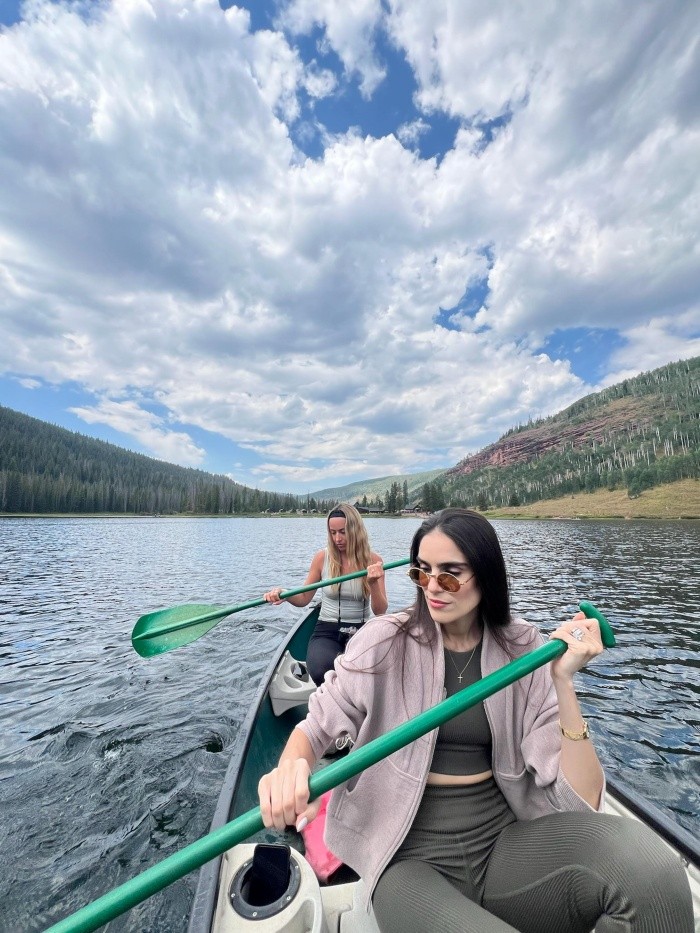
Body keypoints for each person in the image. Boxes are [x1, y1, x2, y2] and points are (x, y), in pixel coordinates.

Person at [259, 508, 693, 933]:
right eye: (422, 572)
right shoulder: (384, 640)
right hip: (405, 858)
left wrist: (562, 682)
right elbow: (316, 727)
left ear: (485, 576)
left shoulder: (522, 648)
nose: (433, 587)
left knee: (654, 875)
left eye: (450, 574)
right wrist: (290, 768)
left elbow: (582, 800)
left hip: (502, 842)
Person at [263, 503, 388, 686]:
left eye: (343, 532)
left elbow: (380, 610)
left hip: (361, 631)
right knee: (321, 670)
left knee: (362, 677)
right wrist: (285, 594)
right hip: (327, 631)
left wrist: (373, 584)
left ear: (355, 530)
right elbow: (303, 598)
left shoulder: (374, 561)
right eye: (333, 532)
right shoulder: (322, 558)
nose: (337, 538)